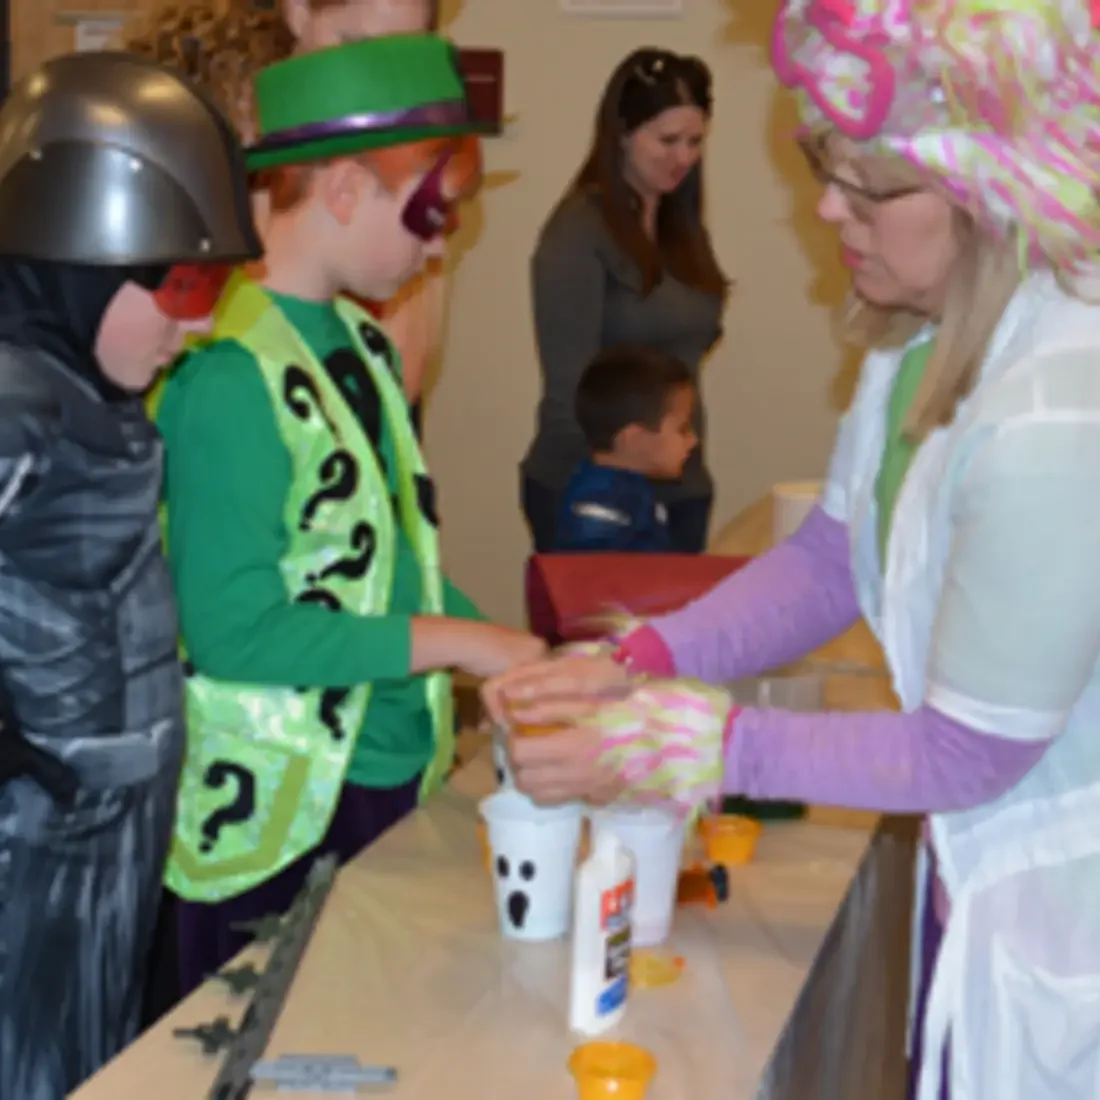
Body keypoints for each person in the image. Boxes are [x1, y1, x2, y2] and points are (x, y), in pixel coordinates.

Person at [486, 3, 1100, 1098]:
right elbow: (828, 559)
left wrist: (702, 747)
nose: (826, 207)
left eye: (870, 186)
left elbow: (965, 754)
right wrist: (636, 662)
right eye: (826, 166)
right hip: (981, 883)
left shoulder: (1059, 413)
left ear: (993, 191)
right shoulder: (916, 341)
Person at [157, 33, 545, 996]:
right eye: (429, 215)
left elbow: (388, 561)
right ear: (341, 192)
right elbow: (236, 632)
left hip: (378, 785)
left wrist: (494, 640)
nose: (440, 242)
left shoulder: (364, 348)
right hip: (269, 833)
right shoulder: (228, 374)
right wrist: (462, 640)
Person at [0, 51, 259, 1098]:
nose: (198, 322)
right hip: (33, 861)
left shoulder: (83, 392)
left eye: (218, 285)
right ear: (82, 255)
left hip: (103, 852)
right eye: (186, 282)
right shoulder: (20, 400)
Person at [125, 0, 444, 417]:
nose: (376, 74)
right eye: (355, 43)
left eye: (401, 55)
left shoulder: (400, 150)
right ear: (296, 11)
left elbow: (403, 370)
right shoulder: (241, 108)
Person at [521, 48, 729, 555]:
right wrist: (607, 504)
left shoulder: (681, 227)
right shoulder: (577, 233)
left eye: (695, 142)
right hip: (593, 495)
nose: (683, 157)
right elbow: (569, 390)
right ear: (621, 134)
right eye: (666, 140)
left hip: (680, 485)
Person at [553, 344, 697, 552]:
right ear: (635, 440)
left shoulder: (632, 489)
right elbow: (599, 579)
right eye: (682, 429)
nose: (693, 440)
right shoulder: (599, 506)